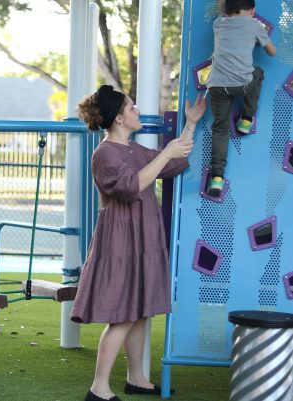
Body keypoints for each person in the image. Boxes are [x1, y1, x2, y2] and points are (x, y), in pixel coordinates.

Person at [70, 84, 206, 401]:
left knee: (141, 309)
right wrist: (167, 153)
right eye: (132, 107)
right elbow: (131, 186)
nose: (137, 111)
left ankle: (137, 379)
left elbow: (173, 161)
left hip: (143, 235)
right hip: (120, 239)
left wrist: (191, 123)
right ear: (118, 118)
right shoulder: (104, 153)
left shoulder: (133, 150)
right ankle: (98, 388)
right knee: (124, 313)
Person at [205, 0, 276, 196]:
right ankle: (246, 119)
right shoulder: (254, 25)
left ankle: (217, 178)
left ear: (226, 10)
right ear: (253, 10)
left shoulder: (218, 24)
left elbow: (223, 8)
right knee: (258, 72)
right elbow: (272, 52)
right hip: (241, 85)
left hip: (217, 86)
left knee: (220, 129)